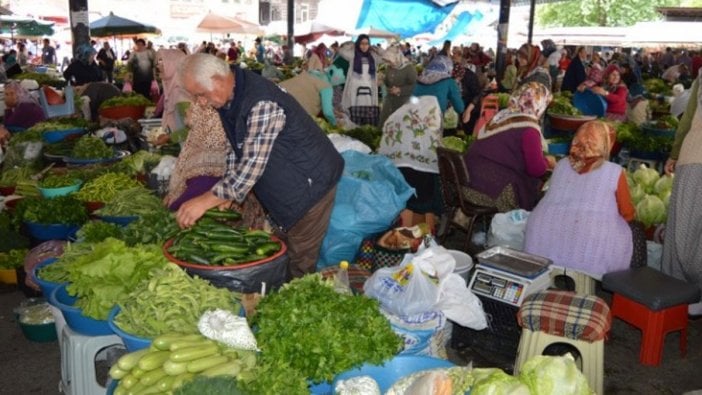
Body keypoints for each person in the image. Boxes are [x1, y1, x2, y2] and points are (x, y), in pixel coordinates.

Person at [176, 53, 344, 279]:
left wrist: (208, 199)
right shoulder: (229, 96)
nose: (200, 103)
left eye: (200, 95)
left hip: (311, 185)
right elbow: (237, 147)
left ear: (217, 80)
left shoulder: (261, 103)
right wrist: (227, 192)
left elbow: (250, 166)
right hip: (289, 181)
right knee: (281, 249)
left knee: (300, 258)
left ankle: (297, 291)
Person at [524, 121, 633, 279]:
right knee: (630, 231)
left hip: (542, 230)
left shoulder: (561, 165)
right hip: (589, 237)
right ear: (605, 144)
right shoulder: (615, 171)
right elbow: (627, 213)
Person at [462, 82, 555, 212]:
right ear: (539, 105)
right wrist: (548, 161)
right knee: (540, 190)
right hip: (489, 192)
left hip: (467, 184)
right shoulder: (529, 129)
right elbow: (536, 169)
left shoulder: (500, 117)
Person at [662, 72, 702, 317]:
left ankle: (681, 293)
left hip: (695, 159)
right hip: (695, 156)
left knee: (685, 231)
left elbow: (687, 119)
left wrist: (675, 153)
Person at [378, 95, 443, 230]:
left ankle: (403, 239)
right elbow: (434, 150)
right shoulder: (427, 126)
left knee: (406, 207)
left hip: (397, 173)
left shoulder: (399, 116)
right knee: (426, 208)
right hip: (422, 176)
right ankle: (426, 242)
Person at [338, 35, 384, 126]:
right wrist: (352, 45)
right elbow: (341, 51)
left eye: (366, 44)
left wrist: (378, 49)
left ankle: (367, 127)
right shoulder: (353, 54)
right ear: (358, 44)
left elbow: (385, 57)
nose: (364, 46)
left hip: (369, 87)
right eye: (362, 43)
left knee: (368, 110)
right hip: (355, 87)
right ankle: (354, 127)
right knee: (354, 109)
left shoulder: (373, 56)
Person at [379, 44, 417, 127]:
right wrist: (383, 80)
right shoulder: (390, 67)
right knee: (386, 125)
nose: (388, 63)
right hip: (390, 102)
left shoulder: (409, 68)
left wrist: (400, 90)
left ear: (396, 57)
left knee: (400, 127)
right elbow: (388, 82)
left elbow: (415, 85)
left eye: (390, 61)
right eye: (387, 61)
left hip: (403, 102)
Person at [155, 48, 189, 133]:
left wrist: (169, 138)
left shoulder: (181, 93)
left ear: (173, 65)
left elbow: (188, 130)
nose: (158, 66)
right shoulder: (170, 90)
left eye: (161, 62)